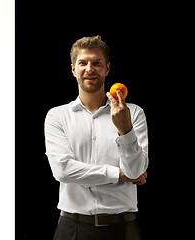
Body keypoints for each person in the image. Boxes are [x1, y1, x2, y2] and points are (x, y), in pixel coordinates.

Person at [44, 36, 148, 240]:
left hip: (124, 228)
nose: (90, 68)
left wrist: (125, 129)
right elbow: (62, 170)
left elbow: (136, 171)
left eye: (97, 63)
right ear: (73, 69)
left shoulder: (133, 113)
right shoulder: (57, 116)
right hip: (72, 228)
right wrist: (119, 174)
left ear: (107, 69)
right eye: (83, 63)